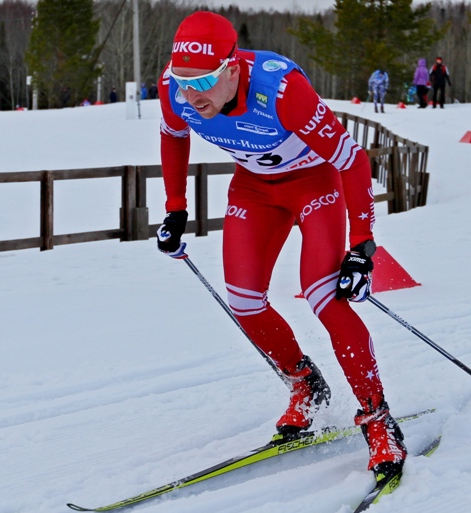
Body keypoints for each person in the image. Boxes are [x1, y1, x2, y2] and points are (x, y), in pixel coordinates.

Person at [156, 11, 407, 480]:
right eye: (181, 81)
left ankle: (377, 418)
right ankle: (305, 384)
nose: (190, 95)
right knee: (244, 302)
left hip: (316, 186)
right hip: (255, 190)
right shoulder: (177, 88)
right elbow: (172, 138)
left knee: (324, 299)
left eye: (203, 82)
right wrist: (174, 207)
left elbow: (351, 161)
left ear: (232, 69)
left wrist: (363, 246)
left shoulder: (281, 90)